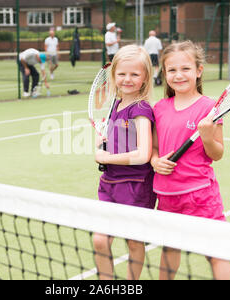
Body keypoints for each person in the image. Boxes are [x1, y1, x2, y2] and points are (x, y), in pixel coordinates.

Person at [150, 40, 230, 280]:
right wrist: (155, 161)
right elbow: (154, 147)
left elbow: (217, 153)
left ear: (198, 71)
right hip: (166, 194)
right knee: (169, 249)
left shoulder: (210, 108)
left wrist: (207, 137)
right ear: (164, 73)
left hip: (200, 195)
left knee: (216, 253)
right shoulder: (159, 108)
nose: (178, 75)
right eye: (172, 70)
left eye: (185, 69)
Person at [92, 45, 156, 280]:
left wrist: (106, 156)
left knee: (134, 242)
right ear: (114, 76)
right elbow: (104, 143)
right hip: (109, 184)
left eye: (134, 74)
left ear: (145, 78)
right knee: (100, 239)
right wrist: (100, 142)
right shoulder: (113, 107)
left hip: (136, 186)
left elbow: (143, 154)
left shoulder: (141, 110)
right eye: (122, 74)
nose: (127, 79)